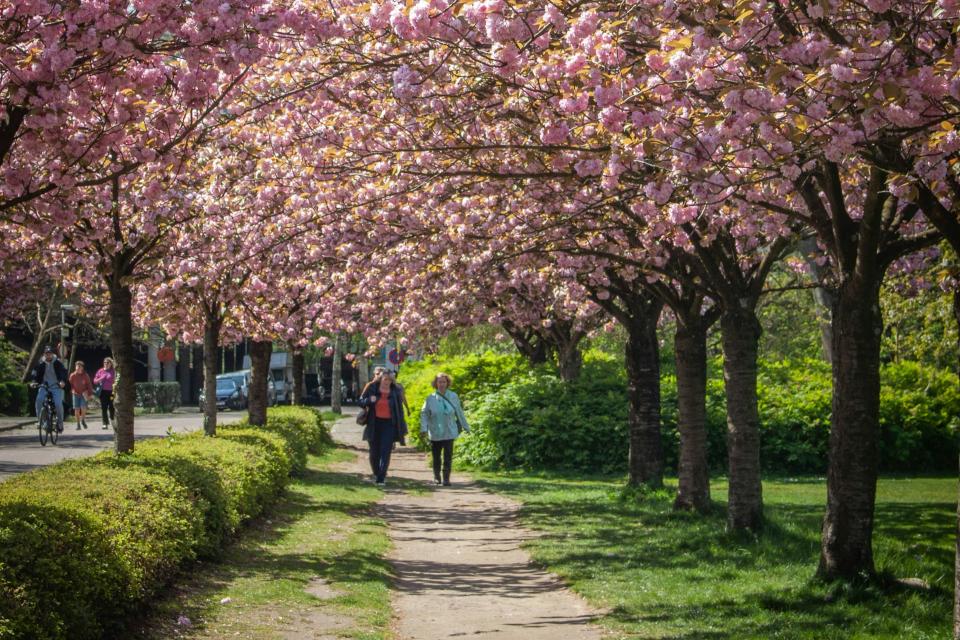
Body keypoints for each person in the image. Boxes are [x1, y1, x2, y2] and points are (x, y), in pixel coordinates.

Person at [359, 367, 407, 486]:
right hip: (374, 423)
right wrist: (369, 400)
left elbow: (399, 410)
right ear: (380, 379)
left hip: (389, 424)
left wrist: (401, 425)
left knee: (386, 451)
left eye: (389, 380)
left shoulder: (395, 390)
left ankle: (381, 477)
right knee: (374, 452)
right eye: (385, 379)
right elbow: (360, 402)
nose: (387, 382)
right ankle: (376, 473)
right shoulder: (372, 388)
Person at [419, 372, 470, 486]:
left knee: (448, 456)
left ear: (447, 383)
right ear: (436, 384)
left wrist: (466, 427)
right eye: (439, 382)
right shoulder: (430, 398)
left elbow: (459, 412)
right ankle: (437, 477)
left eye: (444, 382)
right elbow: (424, 414)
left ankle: (446, 478)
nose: (441, 384)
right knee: (436, 456)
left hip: (449, 430)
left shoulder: (453, 396)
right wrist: (423, 428)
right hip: (435, 431)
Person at [32, 346, 67, 432]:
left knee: (58, 404)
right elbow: (34, 372)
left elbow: (63, 372)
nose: (48, 355)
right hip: (44, 386)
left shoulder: (58, 363)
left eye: (50, 354)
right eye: (46, 354)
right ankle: (42, 422)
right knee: (39, 400)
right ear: (44, 354)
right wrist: (33, 381)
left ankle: (60, 423)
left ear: (52, 354)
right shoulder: (40, 363)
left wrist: (62, 381)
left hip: (56, 386)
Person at [68, 361, 94, 430]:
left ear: (82, 368)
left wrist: (90, 394)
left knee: (83, 407)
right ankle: (78, 424)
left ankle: (83, 420)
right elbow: (69, 384)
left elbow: (89, 385)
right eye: (77, 366)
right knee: (76, 409)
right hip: (75, 394)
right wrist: (71, 390)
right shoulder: (72, 375)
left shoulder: (85, 375)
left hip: (83, 394)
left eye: (79, 366)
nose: (78, 367)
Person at [93, 357, 116, 430]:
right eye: (104, 362)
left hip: (112, 392)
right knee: (104, 408)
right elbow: (95, 381)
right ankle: (104, 423)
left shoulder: (113, 371)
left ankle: (112, 420)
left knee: (111, 406)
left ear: (111, 364)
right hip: (103, 392)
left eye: (107, 363)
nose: (106, 364)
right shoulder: (100, 371)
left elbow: (115, 380)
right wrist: (101, 378)